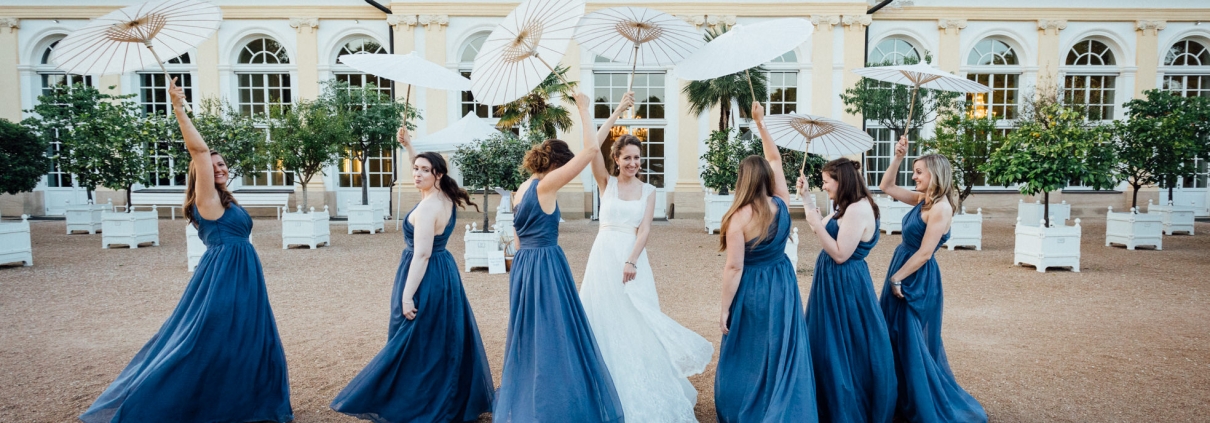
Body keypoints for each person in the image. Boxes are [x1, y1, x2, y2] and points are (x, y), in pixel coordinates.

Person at [79, 78, 292, 423]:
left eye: (223, 164)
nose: (220, 168)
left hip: (243, 273)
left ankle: (245, 402)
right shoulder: (206, 199)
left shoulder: (224, 200)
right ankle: (173, 402)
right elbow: (198, 151)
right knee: (210, 338)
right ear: (202, 172)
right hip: (224, 276)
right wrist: (179, 107)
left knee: (249, 336)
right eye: (214, 165)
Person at [330, 125, 493, 422]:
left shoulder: (430, 206)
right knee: (440, 338)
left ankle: (414, 400)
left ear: (438, 175)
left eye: (423, 170)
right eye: (415, 169)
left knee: (413, 339)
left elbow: (422, 254)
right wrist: (409, 147)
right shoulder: (444, 195)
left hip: (426, 275)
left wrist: (407, 295)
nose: (416, 174)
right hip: (445, 274)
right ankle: (445, 396)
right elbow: (424, 166)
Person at [579, 91, 712, 423]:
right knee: (602, 318)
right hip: (602, 257)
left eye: (637, 158)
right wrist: (617, 111)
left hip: (631, 258)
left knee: (637, 320)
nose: (633, 163)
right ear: (617, 159)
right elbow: (592, 146)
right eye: (627, 158)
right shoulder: (604, 183)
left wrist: (632, 260)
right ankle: (603, 390)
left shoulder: (650, 191)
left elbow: (644, 231)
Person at [492, 91, 625, 423]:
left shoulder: (523, 187)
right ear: (558, 164)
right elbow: (593, 149)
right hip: (547, 265)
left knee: (530, 334)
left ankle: (530, 395)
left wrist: (617, 112)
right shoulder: (548, 185)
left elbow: (518, 239)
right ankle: (554, 403)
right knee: (556, 333)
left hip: (523, 266)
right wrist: (584, 108)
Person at [714, 102, 817, 423]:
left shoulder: (737, 218)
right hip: (783, 283)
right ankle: (785, 404)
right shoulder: (781, 204)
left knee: (749, 349)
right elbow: (774, 158)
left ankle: (749, 407)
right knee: (782, 345)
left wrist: (724, 308)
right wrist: (760, 123)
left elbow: (734, 268)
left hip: (753, 288)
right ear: (766, 179)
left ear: (742, 180)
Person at [878, 136, 987, 423]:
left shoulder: (941, 208)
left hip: (916, 277)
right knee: (893, 336)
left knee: (913, 341)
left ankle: (924, 403)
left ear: (934, 175)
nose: (914, 177)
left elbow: (926, 253)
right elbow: (886, 187)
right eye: (913, 171)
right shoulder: (922, 199)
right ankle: (900, 399)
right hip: (902, 267)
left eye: (918, 172)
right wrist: (898, 157)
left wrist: (896, 278)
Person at [797, 156, 897, 422]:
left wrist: (818, 225)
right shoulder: (846, 207)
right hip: (832, 282)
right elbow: (821, 225)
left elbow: (840, 254)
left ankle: (845, 407)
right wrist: (806, 197)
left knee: (844, 343)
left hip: (845, 284)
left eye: (827, 182)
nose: (824, 186)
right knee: (829, 339)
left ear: (842, 181)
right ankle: (826, 401)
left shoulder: (857, 210)